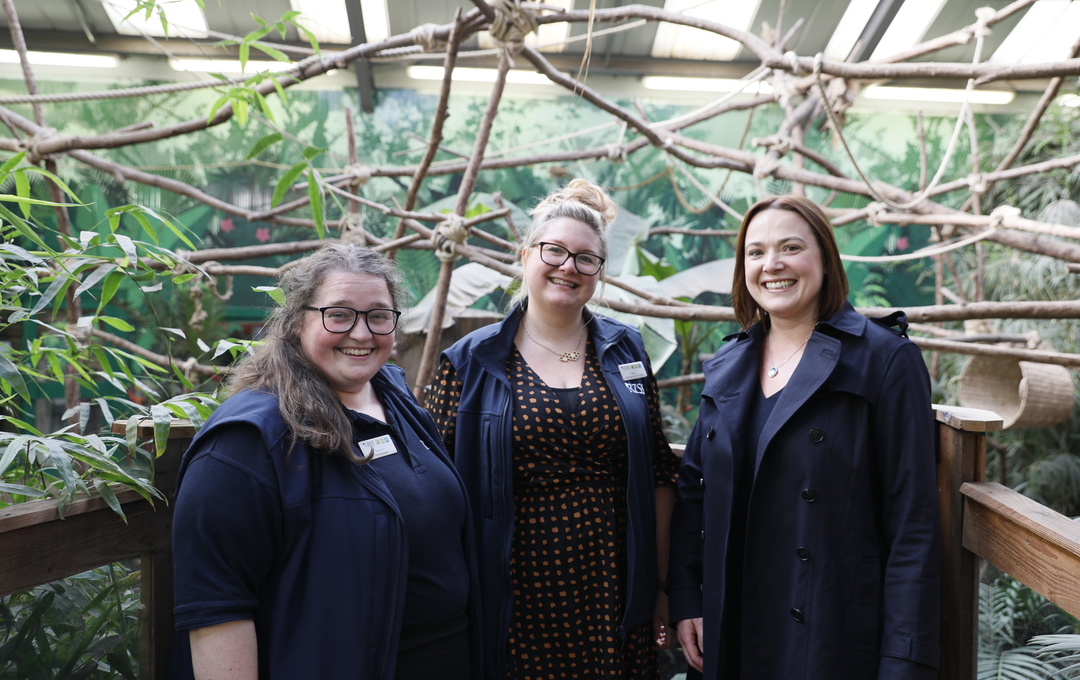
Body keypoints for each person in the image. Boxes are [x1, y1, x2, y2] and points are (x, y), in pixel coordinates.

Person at [169, 243, 480, 680]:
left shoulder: (395, 395)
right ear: (297, 322)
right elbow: (217, 610)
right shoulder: (247, 443)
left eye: (378, 315)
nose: (361, 333)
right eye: (338, 315)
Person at [668, 196, 941, 680]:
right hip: (729, 630)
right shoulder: (728, 363)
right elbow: (694, 491)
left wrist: (904, 659)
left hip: (829, 636)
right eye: (756, 252)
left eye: (790, 247)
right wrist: (688, 598)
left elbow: (912, 526)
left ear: (824, 258)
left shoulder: (885, 361)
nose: (772, 265)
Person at [426, 179, 680, 680]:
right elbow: (437, 487)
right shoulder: (469, 361)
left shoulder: (626, 349)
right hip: (510, 582)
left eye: (586, 259)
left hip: (614, 577)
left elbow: (658, 474)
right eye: (555, 251)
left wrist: (661, 585)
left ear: (599, 273)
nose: (569, 267)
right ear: (526, 256)